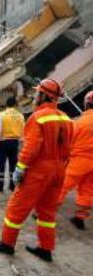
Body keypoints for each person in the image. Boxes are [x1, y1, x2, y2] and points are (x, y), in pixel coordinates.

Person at [0, 78, 73, 262]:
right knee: (47, 212)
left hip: (39, 170)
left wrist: (20, 168)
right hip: (59, 170)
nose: (34, 97)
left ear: (44, 96)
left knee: (16, 208)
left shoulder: (38, 117)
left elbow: (31, 148)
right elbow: (68, 149)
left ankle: (7, 244)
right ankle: (45, 248)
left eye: (37, 93)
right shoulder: (66, 119)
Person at [57, 91, 93, 230]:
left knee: (63, 185)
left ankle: (45, 212)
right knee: (87, 190)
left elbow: (68, 142)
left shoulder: (80, 122)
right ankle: (80, 218)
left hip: (80, 159)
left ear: (87, 103)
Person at [0, 96, 25, 193]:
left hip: (3, 142)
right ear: (16, 104)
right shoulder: (20, 116)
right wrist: (21, 143)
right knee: (13, 164)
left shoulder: (2, 115)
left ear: (6, 104)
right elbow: (23, 131)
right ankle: (13, 185)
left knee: (0, 164)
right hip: (15, 142)